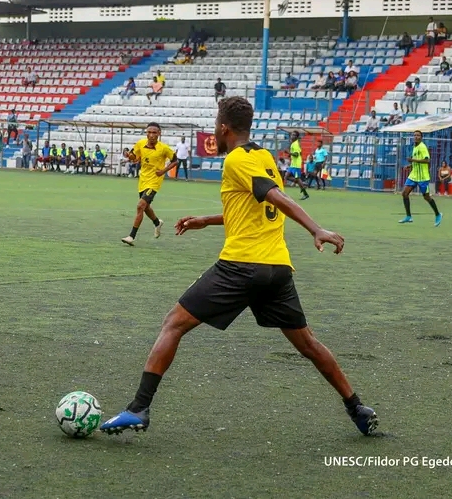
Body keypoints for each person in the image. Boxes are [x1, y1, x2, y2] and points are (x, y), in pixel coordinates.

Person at [99, 96, 379, 438]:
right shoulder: (263, 157)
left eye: (215, 126)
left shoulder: (235, 160)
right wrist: (207, 220)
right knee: (307, 344)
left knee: (173, 324)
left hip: (242, 266)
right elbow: (257, 205)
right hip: (277, 269)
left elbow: (276, 197)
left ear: (223, 128)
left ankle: (138, 408)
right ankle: (357, 408)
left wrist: (316, 229)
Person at [121, 122, 178, 246]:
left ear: (159, 133)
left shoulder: (164, 148)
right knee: (146, 207)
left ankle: (131, 236)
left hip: (154, 182)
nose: (151, 135)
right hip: (143, 180)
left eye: (154, 132)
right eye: (149, 132)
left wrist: (163, 171)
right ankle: (157, 223)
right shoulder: (140, 144)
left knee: (140, 206)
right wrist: (129, 156)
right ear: (146, 133)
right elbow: (135, 158)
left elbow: (175, 161)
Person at [398, 130, 441, 226]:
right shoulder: (415, 147)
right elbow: (417, 161)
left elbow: (427, 160)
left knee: (426, 197)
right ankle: (408, 216)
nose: (416, 137)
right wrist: (410, 165)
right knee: (404, 193)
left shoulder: (422, 147)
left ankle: (438, 214)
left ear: (421, 137)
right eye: (414, 135)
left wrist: (413, 160)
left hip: (422, 176)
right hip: (414, 175)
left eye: (418, 135)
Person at [284, 131, 310, 200]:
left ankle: (305, 193)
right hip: (293, 163)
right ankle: (302, 184)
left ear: (297, 137)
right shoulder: (294, 144)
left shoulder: (295, 144)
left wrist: (289, 153)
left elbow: (296, 154)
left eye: (294, 135)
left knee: (295, 178)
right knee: (286, 176)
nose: (292, 136)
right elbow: (300, 153)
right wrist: (290, 155)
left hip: (296, 165)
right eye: (292, 135)